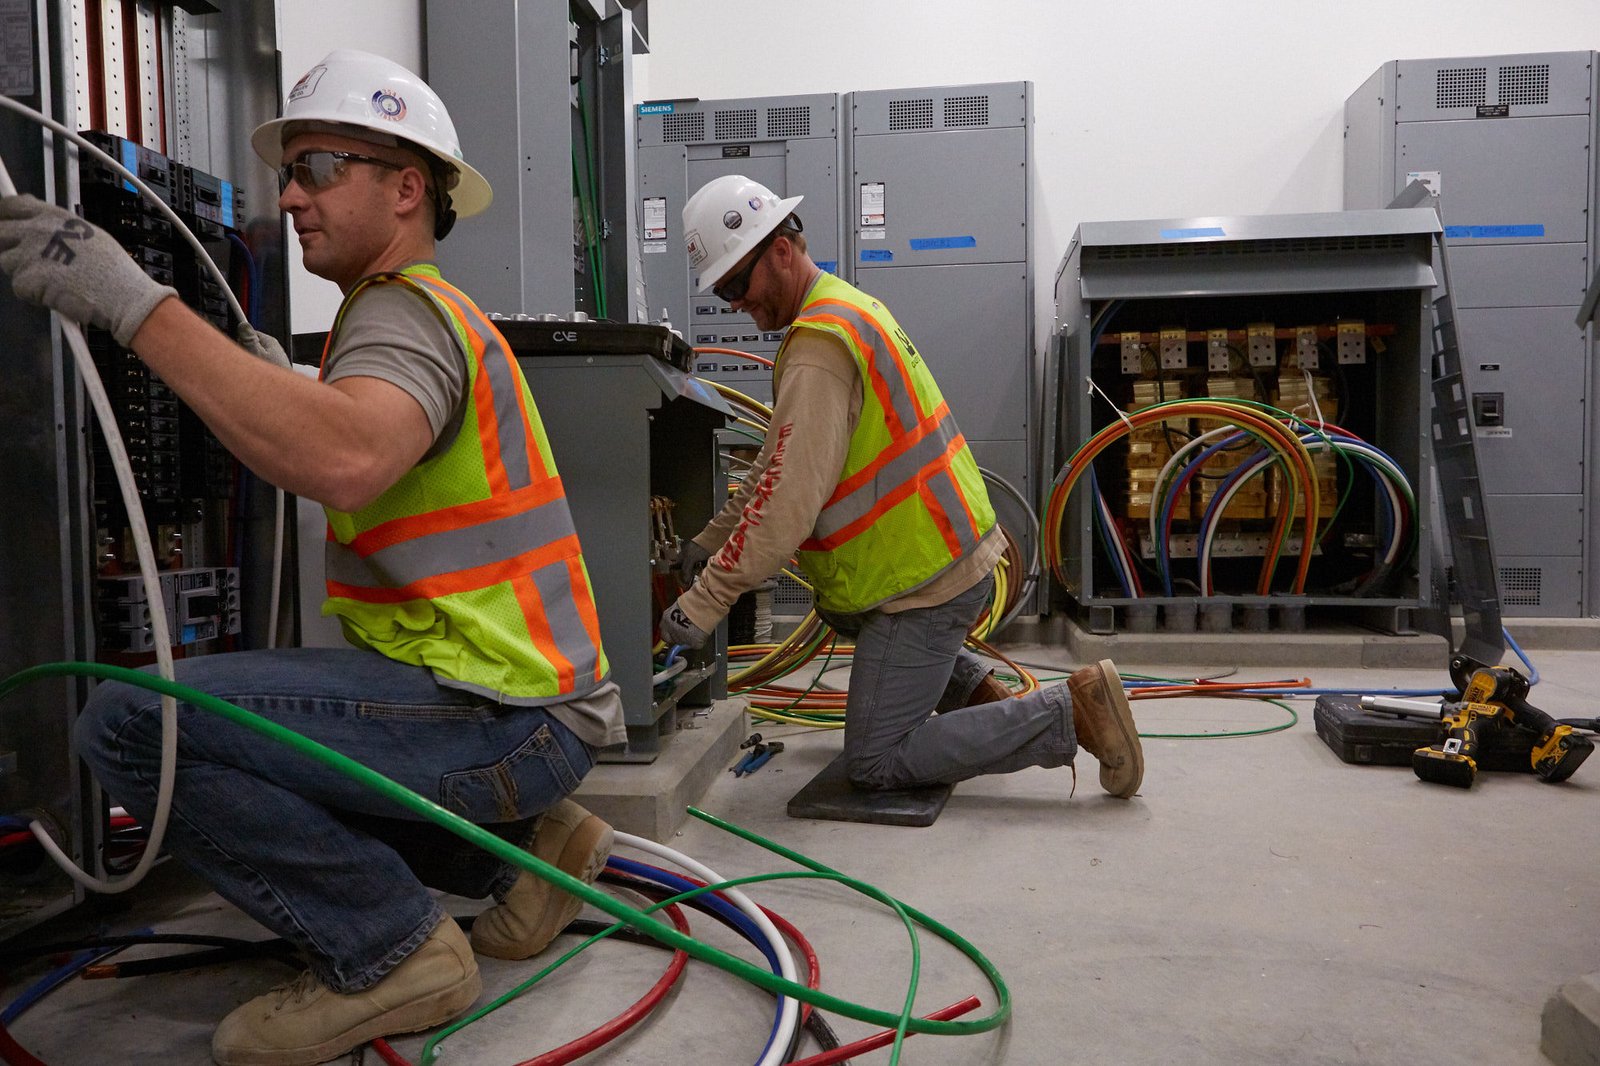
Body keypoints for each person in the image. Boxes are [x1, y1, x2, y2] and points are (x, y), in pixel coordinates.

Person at [0, 50, 621, 1065]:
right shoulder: (420, 313)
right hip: (529, 707)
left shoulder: (399, 312)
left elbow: (345, 456)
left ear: (407, 188)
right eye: (290, 172)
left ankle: (389, 949)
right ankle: (528, 857)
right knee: (273, 736)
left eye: (321, 167)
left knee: (132, 723)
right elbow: (344, 429)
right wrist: (271, 375)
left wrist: (129, 301)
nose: (290, 196)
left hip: (497, 717)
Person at [659, 175, 1145, 800]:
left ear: (780, 250)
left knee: (876, 759)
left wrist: (703, 604)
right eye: (722, 291)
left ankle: (1070, 713)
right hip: (936, 556)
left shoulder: (819, 347)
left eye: (735, 285)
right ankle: (992, 708)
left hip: (921, 581)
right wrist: (708, 541)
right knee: (859, 625)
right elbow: (774, 467)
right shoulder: (846, 310)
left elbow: (784, 507)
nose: (733, 304)